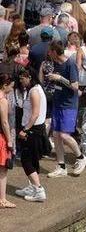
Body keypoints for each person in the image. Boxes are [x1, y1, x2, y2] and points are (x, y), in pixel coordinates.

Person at [44, 41, 85, 178]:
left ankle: (80, 157)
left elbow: (75, 86)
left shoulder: (70, 64)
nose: (48, 53)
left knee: (64, 135)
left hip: (68, 105)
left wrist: (60, 78)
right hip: (57, 103)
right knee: (56, 135)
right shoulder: (54, 64)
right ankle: (61, 166)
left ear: (55, 51)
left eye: (50, 51)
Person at [15, 69, 48, 202]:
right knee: (33, 159)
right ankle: (32, 186)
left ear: (29, 77)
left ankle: (39, 189)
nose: (21, 81)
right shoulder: (36, 88)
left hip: (33, 130)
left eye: (22, 78)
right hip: (35, 129)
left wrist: (26, 130)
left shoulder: (34, 91)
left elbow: (35, 113)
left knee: (26, 160)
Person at [0, 74, 13, 208]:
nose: (12, 88)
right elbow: (4, 122)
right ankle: (2, 199)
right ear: (5, 85)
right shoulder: (3, 100)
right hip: (0, 137)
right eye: (11, 86)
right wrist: (9, 140)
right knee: (3, 169)